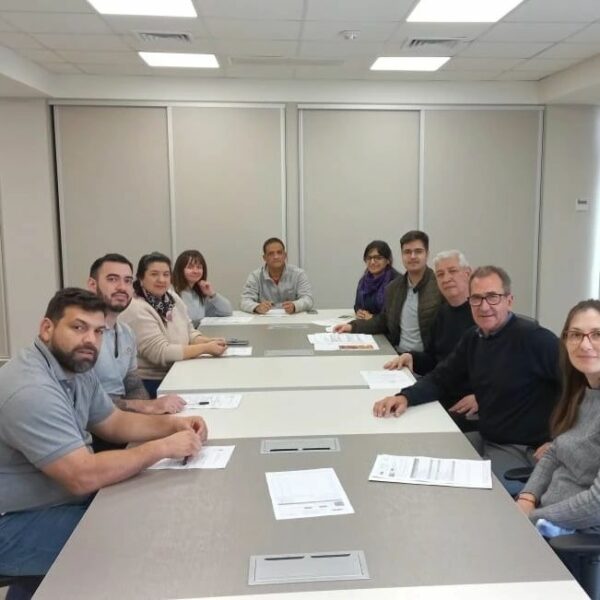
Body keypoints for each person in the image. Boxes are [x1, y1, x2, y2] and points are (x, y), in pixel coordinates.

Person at [0, 288, 207, 600]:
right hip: (14, 522)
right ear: (47, 328)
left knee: (143, 508)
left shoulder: (74, 366)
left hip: (52, 500)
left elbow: (113, 422)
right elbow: (82, 476)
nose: (90, 340)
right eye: (78, 327)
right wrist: (163, 448)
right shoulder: (30, 389)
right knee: (126, 540)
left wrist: (171, 425)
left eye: (98, 331)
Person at [373, 266, 560, 495]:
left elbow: (581, 392)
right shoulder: (474, 337)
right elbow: (442, 378)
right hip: (487, 436)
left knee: (463, 495)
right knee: (422, 459)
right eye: (477, 298)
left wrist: (560, 442)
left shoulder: (537, 340)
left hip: (522, 449)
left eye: (493, 297)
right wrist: (405, 396)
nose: (484, 306)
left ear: (509, 300)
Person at [517, 299, 600, 533]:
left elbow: (596, 504)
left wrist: (532, 517)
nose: (585, 344)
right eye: (575, 334)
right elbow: (556, 450)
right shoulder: (581, 391)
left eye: (597, 334)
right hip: (546, 517)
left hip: (576, 535)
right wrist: (527, 496)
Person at [384, 249, 476, 429]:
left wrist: (483, 396)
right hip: (441, 390)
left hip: (467, 404)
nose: (446, 278)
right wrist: (412, 357)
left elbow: (505, 372)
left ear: (467, 273)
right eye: (440, 274)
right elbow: (435, 360)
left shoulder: (481, 315)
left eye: (452, 271)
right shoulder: (443, 313)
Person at [87, 253, 185, 415]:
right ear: (92, 284)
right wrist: (144, 407)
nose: (121, 287)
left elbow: (133, 385)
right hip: (92, 432)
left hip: (121, 421)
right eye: (112, 279)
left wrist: (151, 412)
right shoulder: (83, 337)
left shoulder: (126, 333)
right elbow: (87, 402)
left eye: (127, 280)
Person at [120, 252, 227, 398]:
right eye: (154, 274)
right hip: (153, 382)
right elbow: (161, 353)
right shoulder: (137, 308)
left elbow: (189, 331)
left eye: (166, 274)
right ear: (141, 278)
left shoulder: (171, 297)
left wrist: (210, 341)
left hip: (178, 369)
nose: (161, 279)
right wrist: (205, 348)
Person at [335, 230, 441, 352]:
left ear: (427, 254)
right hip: (395, 353)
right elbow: (383, 320)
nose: (412, 256)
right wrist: (352, 326)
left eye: (418, 251)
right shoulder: (394, 287)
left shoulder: (439, 287)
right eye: (407, 252)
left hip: (425, 362)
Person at [240, 237, 314, 314]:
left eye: (279, 252)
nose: (276, 257)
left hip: (292, 320)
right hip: (264, 322)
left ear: (285, 255)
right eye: (271, 254)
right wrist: (257, 307)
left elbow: (308, 299)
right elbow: (244, 301)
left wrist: (295, 305)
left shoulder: (298, 274)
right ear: (264, 258)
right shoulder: (255, 276)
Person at [172, 249, 233, 327]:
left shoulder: (198, 293)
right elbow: (192, 318)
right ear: (180, 269)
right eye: (190, 267)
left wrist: (212, 294)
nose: (195, 271)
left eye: (199, 267)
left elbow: (227, 312)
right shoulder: (172, 292)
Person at [354, 240, 399, 320]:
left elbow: (396, 315)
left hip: (387, 329)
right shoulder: (363, 281)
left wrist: (373, 318)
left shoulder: (397, 282)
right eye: (369, 258)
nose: (372, 262)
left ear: (388, 260)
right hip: (367, 326)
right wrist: (359, 312)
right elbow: (357, 305)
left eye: (378, 258)